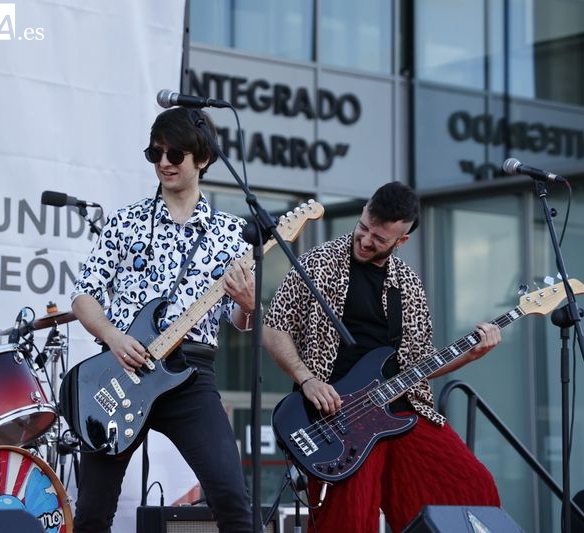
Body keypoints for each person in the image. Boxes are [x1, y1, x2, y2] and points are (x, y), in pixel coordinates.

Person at [262, 182, 502, 532]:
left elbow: (420, 362)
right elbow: (274, 327)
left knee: (472, 486)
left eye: (378, 238)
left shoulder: (409, 284)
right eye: (363, 227)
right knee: (350, 519)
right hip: (338, 416)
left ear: (401, 241)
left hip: (401, 409)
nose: (365, 240)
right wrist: (307, 380)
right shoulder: (319, 262)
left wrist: (470, 355)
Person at [69, 107, 256, 532]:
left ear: (203, 158)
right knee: (93, 511)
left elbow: (241, 320)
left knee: (232, 500)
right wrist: (114, 337)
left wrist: (248, 304)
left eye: (175, 154)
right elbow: (83, 296)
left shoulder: (232, 234)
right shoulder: (126, 221)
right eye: (156, 153)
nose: (164, 163)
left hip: (190, 376)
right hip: (122, 369)